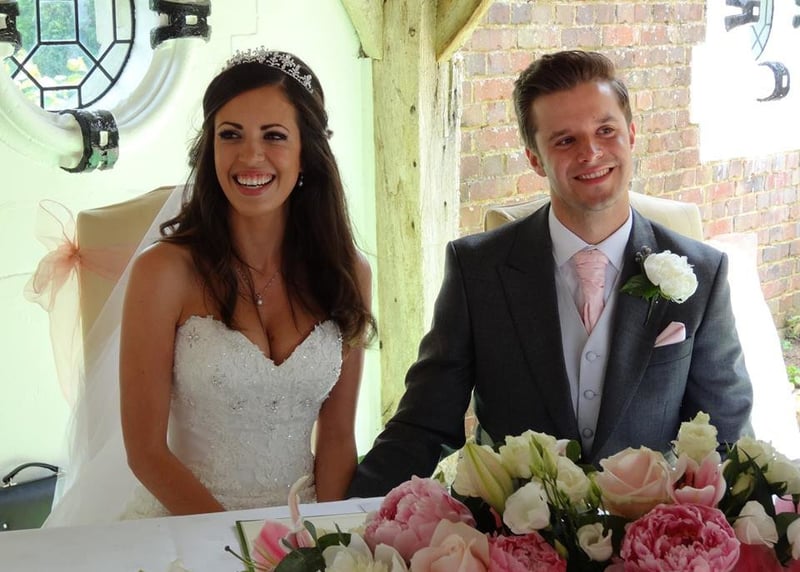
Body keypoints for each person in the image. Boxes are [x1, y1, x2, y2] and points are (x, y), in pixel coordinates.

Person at [348, 50, 753, 498]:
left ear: (632, 134)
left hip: (652, 531)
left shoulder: (703, 273)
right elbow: (424, 424)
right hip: (510, 530)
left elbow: (727, 437)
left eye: (605, 131)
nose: (591, 153)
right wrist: (338, 518)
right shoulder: (477, 270)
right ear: (535, 159)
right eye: (565, 140)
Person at [46, 48, 374, 524]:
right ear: (210, 148)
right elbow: (145, 453)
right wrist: (240, 547)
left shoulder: (348, 272)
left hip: (302, 530)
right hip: (188, 524)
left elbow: (339, 436)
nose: (250, 156)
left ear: (307, 152)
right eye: (230, 134)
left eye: (274, 136)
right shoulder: (164, 272)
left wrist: (331, 537)